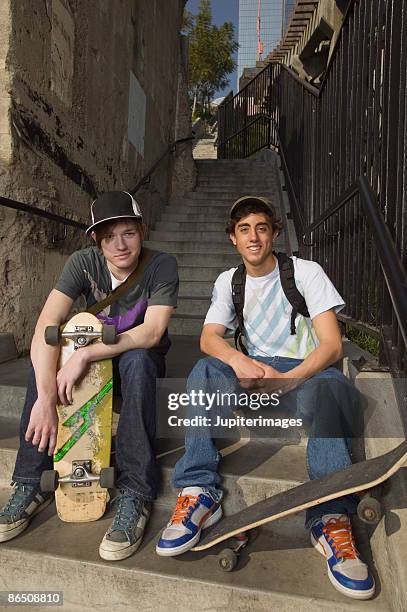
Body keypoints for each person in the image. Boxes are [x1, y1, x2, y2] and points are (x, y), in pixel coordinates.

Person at [156, 196, 375, 600]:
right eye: (243, 229)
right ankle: (199, 491)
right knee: (205, 371)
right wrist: (240, 362)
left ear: (275, 233)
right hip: (254, 376)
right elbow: (208, 339)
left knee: (330, 387)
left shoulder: (306, 272)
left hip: (302, 375)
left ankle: (330, 516)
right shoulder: (229, 281)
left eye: (261, 227)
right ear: (233, 240)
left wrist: (289, 380)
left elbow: (332, 345)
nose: (253, 236)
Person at [0, 190, 178, 561]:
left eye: (128, 233)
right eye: (109, 236)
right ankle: (31, 482)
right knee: (47, 359)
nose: (120, 244)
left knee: (139, 359)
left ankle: (135, 493)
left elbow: (152, 331)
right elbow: (45, 327)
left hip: (135, 361)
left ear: (142, 231)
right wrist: (46, 397)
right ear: (96, 240)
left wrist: (88, 354)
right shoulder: (82, 263)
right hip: (94, 361)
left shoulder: (161, 264)